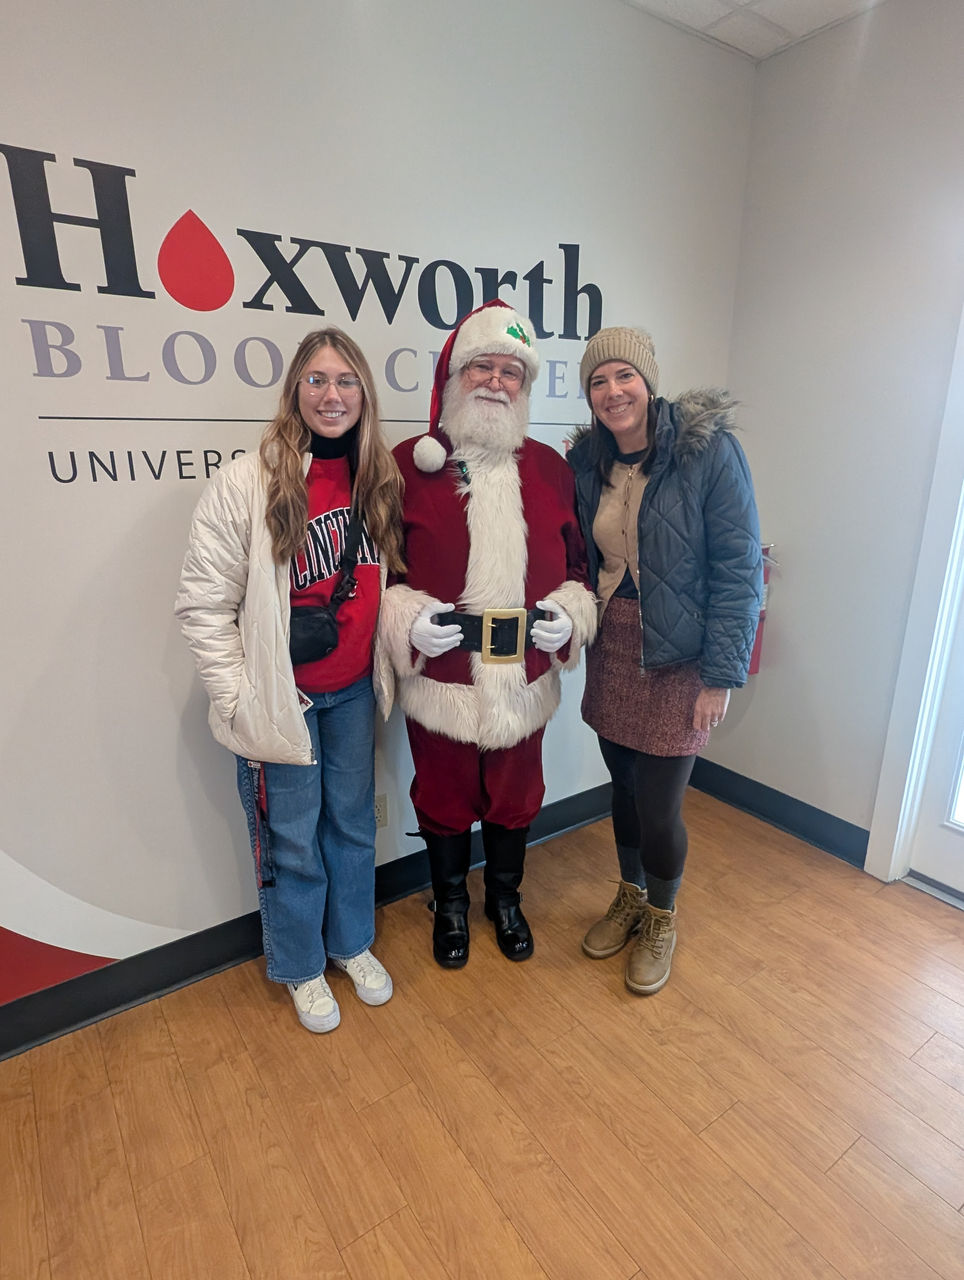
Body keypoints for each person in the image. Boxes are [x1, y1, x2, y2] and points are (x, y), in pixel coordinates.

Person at [175, 328, 405, 1033]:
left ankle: (350, 943)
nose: (332, 395)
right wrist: (238, 700)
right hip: (283, 701)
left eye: (346, 380)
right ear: (295, 391)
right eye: (317, 380)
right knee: (293, 840)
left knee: (353, 826)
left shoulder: (378, 480)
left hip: (354, 692)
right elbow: (203, 605)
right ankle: (302, 964)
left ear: (364, 393)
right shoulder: (246, 482)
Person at [376, 300, 596, 969]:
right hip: (441, 672)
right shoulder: (406, 466)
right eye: (483, 368)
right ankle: (449, 905)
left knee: (516, 796)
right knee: (442, 796)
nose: (496, 382)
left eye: (511, 372)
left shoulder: (552, 470)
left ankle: (505, 900)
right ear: (455, 375)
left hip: (524, 671)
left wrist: (570, 613)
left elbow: (580, 568)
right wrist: (404, 617)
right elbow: (376, 571)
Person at [568, 327, 762, 995]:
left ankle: (661, 915)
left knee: (659, 807)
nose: (613, 391)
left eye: (624, 376)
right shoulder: (586, 461)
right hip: (614, 645)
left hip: (682, 655)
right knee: (621, 788)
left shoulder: (708, 452)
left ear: (648, 382)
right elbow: (579, 555)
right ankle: (629, 892)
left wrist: (721, 676)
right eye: (598, 381)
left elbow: (739, 570)